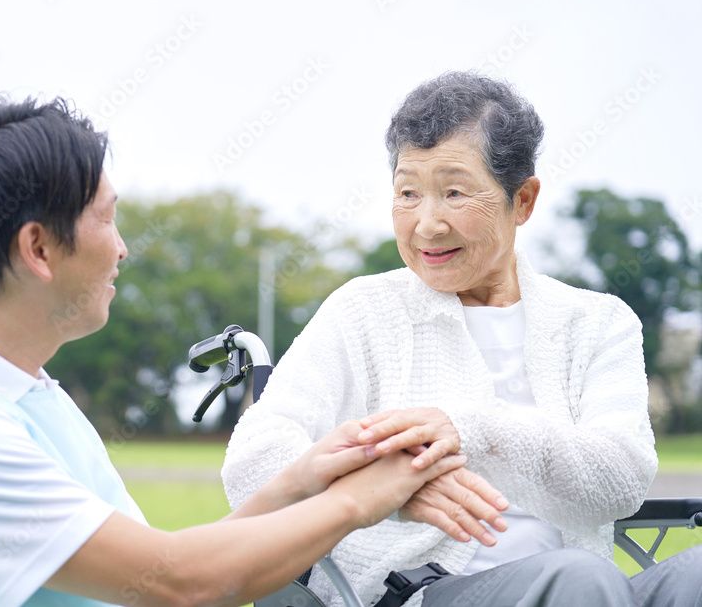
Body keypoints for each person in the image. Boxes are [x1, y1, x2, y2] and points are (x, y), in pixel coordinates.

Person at [0, 94, 504, 607]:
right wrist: (365, 498)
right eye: (107, 218)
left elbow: (153, 571)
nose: (123, 247)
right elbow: (177, 583)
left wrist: (306, 478)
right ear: (38, 247)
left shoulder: (25, 395)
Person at [222, 71, 702, 607]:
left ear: (522, 200)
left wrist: (467, 432)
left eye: (453, 192)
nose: (427, 224)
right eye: (408, 193)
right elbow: (252, 462)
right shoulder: (363, 311)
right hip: (419, 592)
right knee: (579, 580)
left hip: (591, 589)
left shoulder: (598, 322)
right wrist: (389, 484)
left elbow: (619, 478)